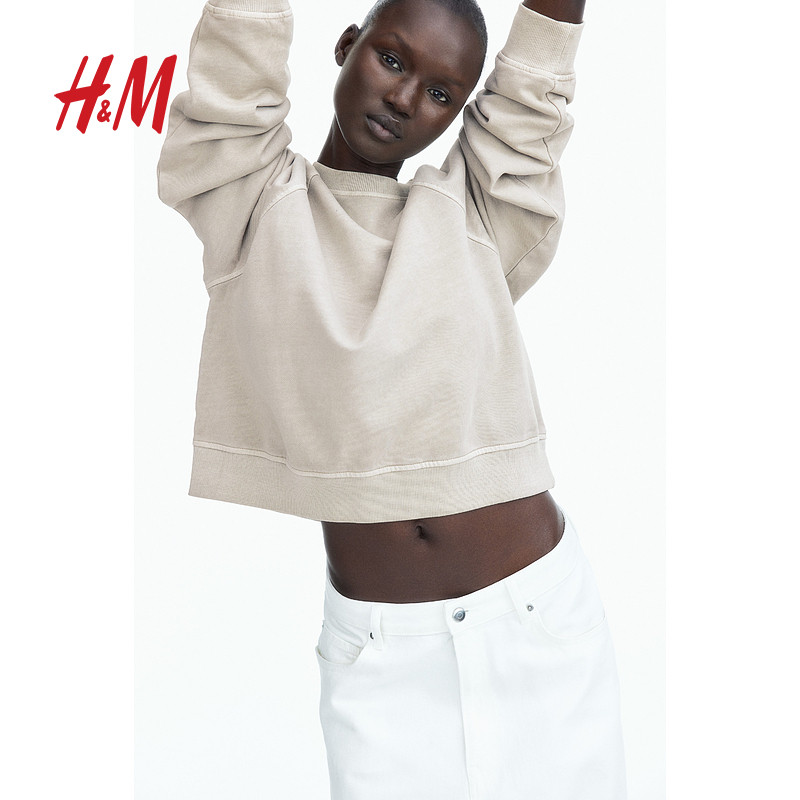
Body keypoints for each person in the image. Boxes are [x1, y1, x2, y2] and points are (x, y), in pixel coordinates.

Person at [158, 0, 627, 797]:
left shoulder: (477, 214)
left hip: (540, 625)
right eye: (394, 60)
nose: (406, 99)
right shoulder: (251, 201)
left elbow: (535, 87)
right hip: (381, 658)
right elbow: (237, 55)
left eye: (443, 94)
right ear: (348, 44)